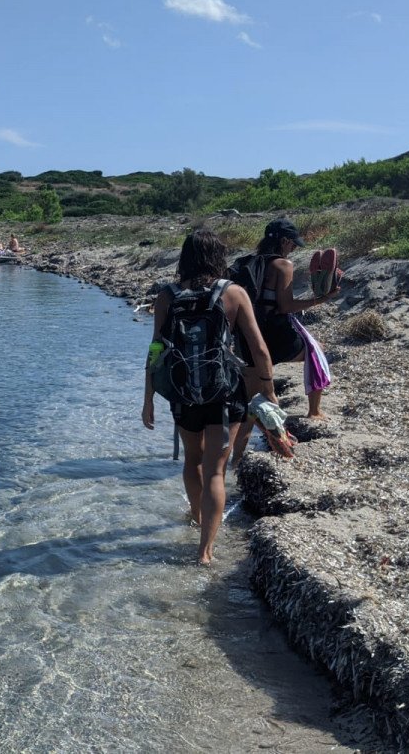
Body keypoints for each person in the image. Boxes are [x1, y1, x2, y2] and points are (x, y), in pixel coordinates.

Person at [141, 230, 276, 566]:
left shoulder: (167, 296)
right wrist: (269, 393)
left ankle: (196, 515)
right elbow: (259, 349)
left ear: (185, 257)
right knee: (216, 471)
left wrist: (147, 398)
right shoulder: (234, 293)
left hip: (184, 394)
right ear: (219, 257)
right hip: (224, 395)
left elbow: (156, 349)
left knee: (192, 460)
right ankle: (205, 551)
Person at [236, 217, 338, 422]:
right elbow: (285, 306)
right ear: (283, 241)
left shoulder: (248, 262)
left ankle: (238, 450)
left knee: (247, 402)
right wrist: (320, 299)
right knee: (315, 351)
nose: (292, 248)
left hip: (246, 335)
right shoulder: (283, 265)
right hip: (276, 335)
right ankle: (314, 411)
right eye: (292, 243)